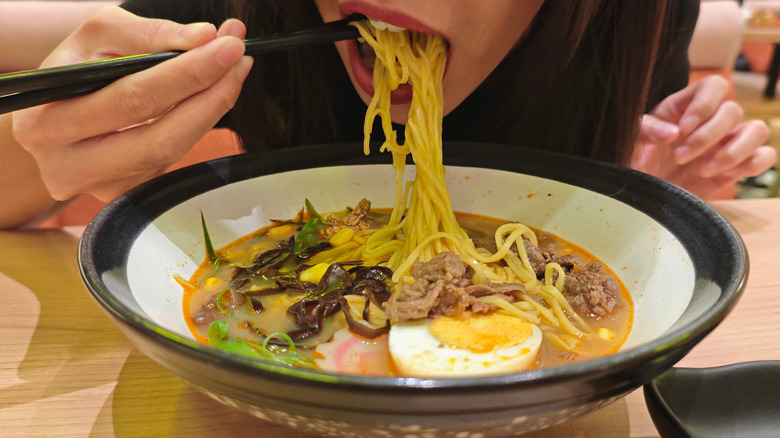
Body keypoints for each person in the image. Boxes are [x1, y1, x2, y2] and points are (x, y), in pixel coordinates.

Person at [0, 0, 775, 229]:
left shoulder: (630, 17)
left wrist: (670, 178)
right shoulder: (238, 8)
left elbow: (651, 186)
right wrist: (43, 153)